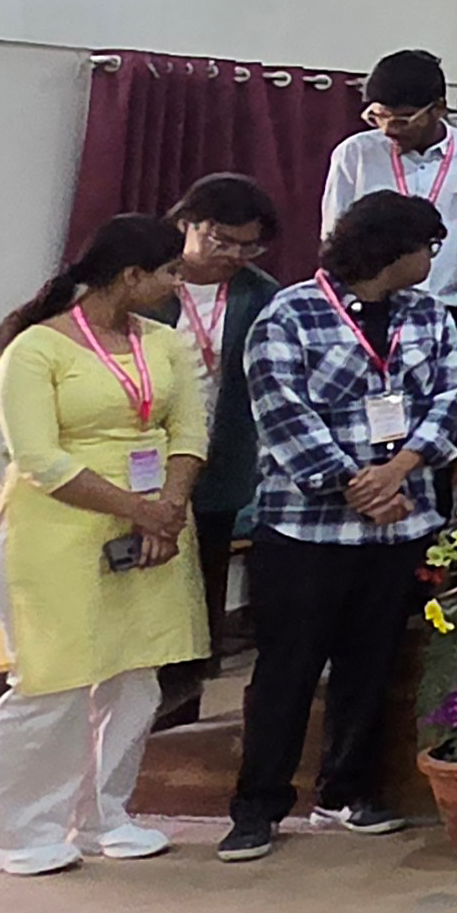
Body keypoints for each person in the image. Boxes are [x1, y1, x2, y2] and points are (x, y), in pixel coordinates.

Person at [221, 192, 457, 861]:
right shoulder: (290, 314)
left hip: (397, 526)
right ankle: (258, 806)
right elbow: (280, 410)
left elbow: (449, 396)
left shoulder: (428, 316)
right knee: (287, 670)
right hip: (307, 530)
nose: (433, 259)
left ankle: (348, 791)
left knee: (371, 666)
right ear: (392, 250)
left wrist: (403, 468)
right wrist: (355, 485)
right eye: (428, 247)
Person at [0, 215, 205, 875]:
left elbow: (190, 433)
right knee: (54, 682)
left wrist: (167, 511)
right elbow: (39, 459)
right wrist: (142, 511)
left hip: (153, 530)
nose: (177, 286)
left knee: (136, 679)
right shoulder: (35, 350)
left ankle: (107, 816)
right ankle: (19, 833)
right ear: (130, 276)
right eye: (170, 273)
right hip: (53, 535)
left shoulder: (165, 345)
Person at [157, 175, 278, 728]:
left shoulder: (261, 294)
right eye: (219, 240)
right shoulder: (146, 280)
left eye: (247, 245)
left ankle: (179, 723)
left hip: (218, 465)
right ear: (187, 223)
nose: (232, 255)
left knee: (195, 601)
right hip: (138, 465)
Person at [318, 49, 457, 323]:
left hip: (450, 307)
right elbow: (334, 237)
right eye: (378, 116)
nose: (389, 129)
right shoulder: (356, 154)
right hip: (372, 308)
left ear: (438, 109)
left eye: (403, 119)